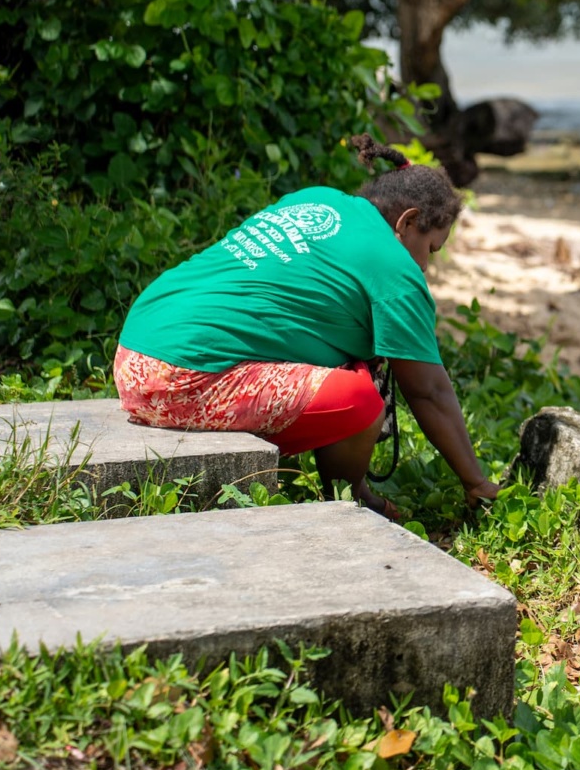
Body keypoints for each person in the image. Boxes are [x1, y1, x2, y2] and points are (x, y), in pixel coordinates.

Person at [114, 134, 500, 518]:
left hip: (134, 347)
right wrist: (475, 483)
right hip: (173, 381)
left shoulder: (316, 199)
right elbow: (428, 391)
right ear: (408, 221)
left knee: (356, 365)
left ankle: (355, 485)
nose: (425, 268)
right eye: (430, 249)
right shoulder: (396, 272)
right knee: (360, 400)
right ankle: (351, 501)